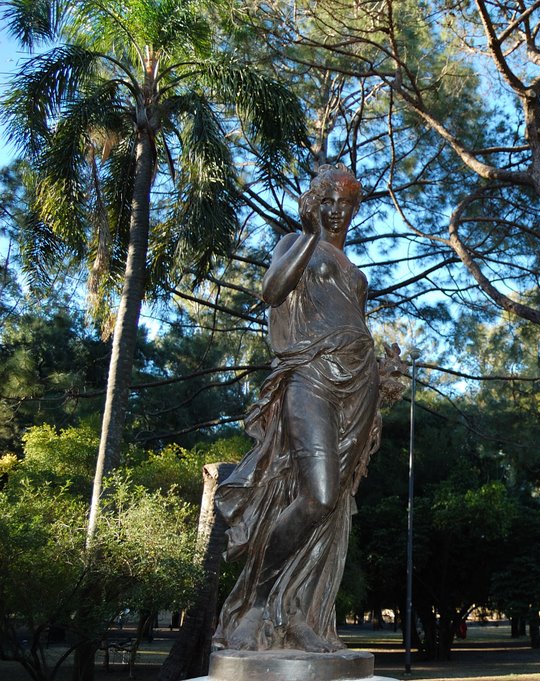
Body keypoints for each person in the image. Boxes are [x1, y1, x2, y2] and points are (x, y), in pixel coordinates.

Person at [213, 164, 395, 652]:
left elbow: (349, 319)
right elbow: (272, 291)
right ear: (315, 202)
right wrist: (311, 237)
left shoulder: (351, 265)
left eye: (347, 202)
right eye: (329, 199)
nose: (338, 210)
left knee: (333, 508)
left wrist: (385, 378)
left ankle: (300, 615)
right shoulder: (296, 241)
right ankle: (256, 602)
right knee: (318, 493)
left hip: (359, 385)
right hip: (309, 374)